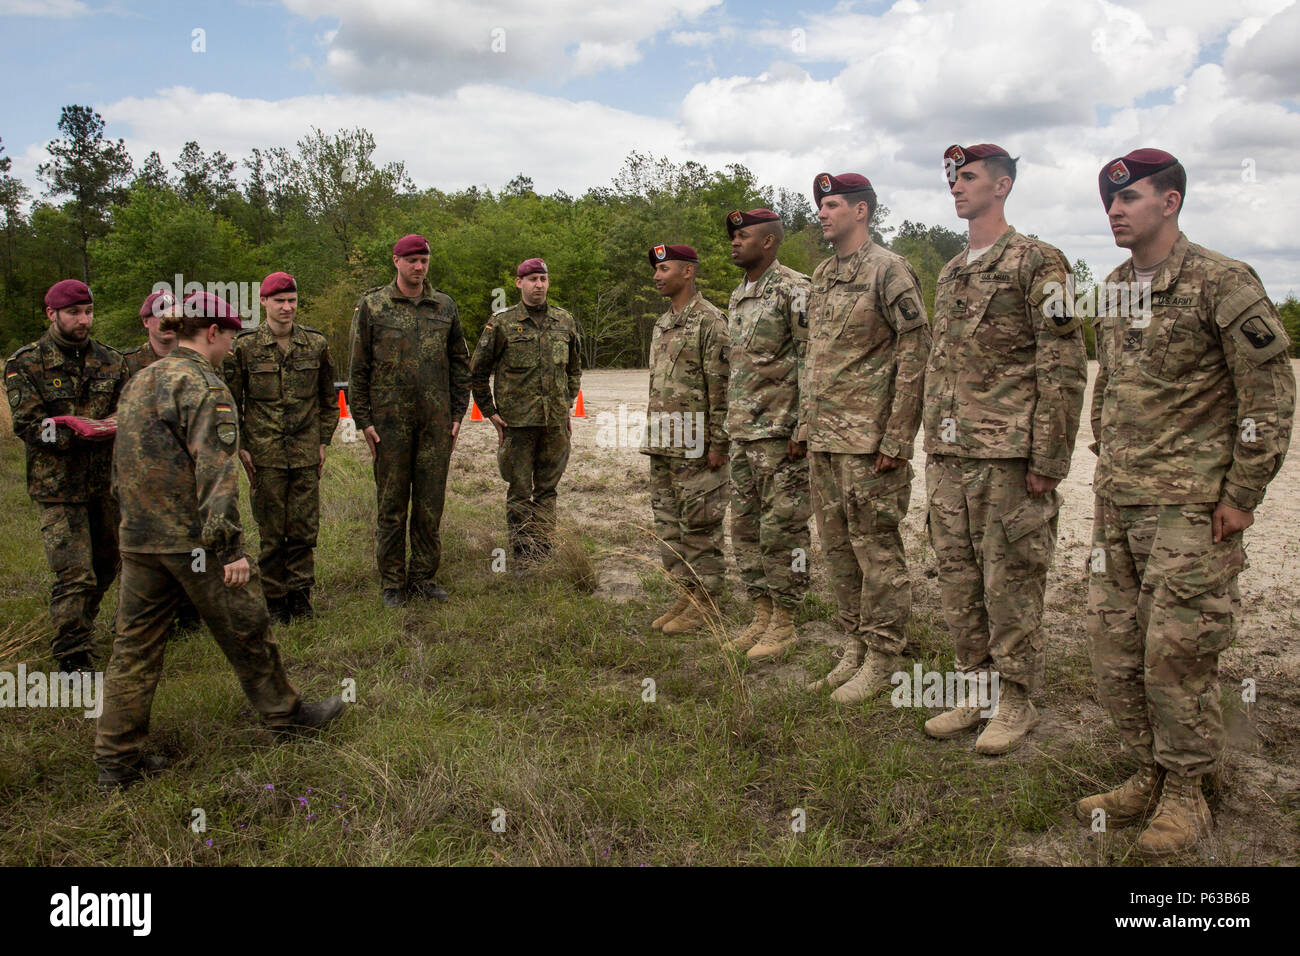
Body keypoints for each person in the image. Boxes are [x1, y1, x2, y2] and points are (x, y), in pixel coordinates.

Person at [1077, 148, 1295, 856]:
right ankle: (1149, 771)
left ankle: (1187, 793)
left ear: (1168, 203)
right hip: (1121, 504)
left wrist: (1242, 495)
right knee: (1117, 648)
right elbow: (1108, 378)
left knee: (1179, 652)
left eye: (1129, 198)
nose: (1115, 210)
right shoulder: (1113, 285)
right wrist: (1104, 440)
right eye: (1110, 200)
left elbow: (1268, 394)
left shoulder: (1221, 282)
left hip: (1191, 511)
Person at [95, 291, 345, 791]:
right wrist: (230, 551)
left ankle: (116, 760)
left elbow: (120, 465)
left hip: (139, 539)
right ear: (212, 333)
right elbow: (216, 473)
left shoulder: (140, 380)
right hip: (194, 542)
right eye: (230, 337)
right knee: (248, 626)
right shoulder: (206, 387)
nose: (231, 348)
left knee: (133, 649)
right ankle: (286, 716)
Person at [920, 144, 1086, 753]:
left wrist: (1049, 458)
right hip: (950, 457)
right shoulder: (952, 270)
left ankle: (1017, 699)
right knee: (958, 578)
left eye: (968, 178)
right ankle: (975, 689)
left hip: (1009, 458)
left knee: (1011, 579)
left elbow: (1063, 363)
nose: (955, 187)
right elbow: (941, 365)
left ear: (1003, 185)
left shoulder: (1037, 261)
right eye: (952, 178)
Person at [800, 174, 931, 703]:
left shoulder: (889, 270)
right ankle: (854, 643)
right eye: (820, 206)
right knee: (837, 549)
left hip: (870, 442)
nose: (822, 214)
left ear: (861, 210)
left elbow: (914, 354)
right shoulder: (822, 275)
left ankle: (883, 656)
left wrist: (897, 438)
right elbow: (816, 355)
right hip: (827, 440)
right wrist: (806, 426)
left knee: (876, 551)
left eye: (832, 205)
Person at [5, 279, 125, 673]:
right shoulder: (26, 363)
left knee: (108, 563)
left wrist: (108, 426)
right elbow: (28, 425)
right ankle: (72, 654)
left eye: (88, 311)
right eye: (74, 312)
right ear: (51, 314)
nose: (83, 320)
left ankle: (79, 625)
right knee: (75, 573)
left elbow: (126, 411)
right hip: (58, 487)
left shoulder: (111, 360)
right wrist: (75, 429)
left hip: (104, 484)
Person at [348, 234, 471, 608]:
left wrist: (456, 413)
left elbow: (460, 364)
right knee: (392, 505)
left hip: (434, 425)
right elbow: (358, 368)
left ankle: (422, 578)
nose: (419, 267)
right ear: (396, 262)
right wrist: (363, 420)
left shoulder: (444, 306)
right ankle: (392, 582)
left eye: (424, 260)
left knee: (430, 505)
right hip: (389, 426)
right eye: (412, 260)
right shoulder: (373, 307)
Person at [717, 209, 813, 660]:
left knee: (784, 531)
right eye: (733, 235)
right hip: (743, 433)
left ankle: (787, 621)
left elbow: (811, 359)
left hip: (781, 434)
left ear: (769, 242)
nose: (735, 241)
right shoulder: (739, 296)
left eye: (744, 235)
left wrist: (804, 425)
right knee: (747, 528)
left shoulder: (794, 290)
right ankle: (761, 612)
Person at [225, 272, 338, 622]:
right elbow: (229, 400)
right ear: (263, 302)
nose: (287, 307)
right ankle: (274, 598)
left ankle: (301, 595)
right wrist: (241, 444)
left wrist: (322, 440)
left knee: (304, 529)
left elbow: (328, 398)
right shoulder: (244, 347)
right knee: (272, 532)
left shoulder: (315, 344)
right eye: (279, 301)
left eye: (292, 300)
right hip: (265, 453)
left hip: (305, 451)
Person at [470, 257, 581, 569]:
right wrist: (490, 412)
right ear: (519, 283)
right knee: (520, 492)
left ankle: (544, 552)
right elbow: (476, 373)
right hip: (517, 425)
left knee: (547, 491)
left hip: (555, 424)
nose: (539, 285)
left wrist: (567, 402)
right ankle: (521, 556)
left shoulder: (564, 320)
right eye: (532, 279)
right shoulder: (502, 323)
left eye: (543, 279)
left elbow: (574, 368)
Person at [643, 243, 731, 635]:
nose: (658, 276)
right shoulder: (663, 323)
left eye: (665, 269)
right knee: (670, 525)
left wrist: (718, 443)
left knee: (700, 526)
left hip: (697, 447)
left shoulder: (711, 322)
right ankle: (686, 593)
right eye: (656, 270)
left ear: (688, 272)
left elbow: (724, 388)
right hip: (663, 443)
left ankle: (707, 602)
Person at [125, 288, 202, 633]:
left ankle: (190, 611)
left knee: (192, 541)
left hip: (190, 470)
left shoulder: (197, 362)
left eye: (175, 313)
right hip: (142, 474)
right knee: (150, 546)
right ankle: (152, 616)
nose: (169, 321)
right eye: (160, 313)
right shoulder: (124, 365)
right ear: (146, 321)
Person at [122, 290, 179, 377]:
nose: (168, 321)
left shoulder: (195, 360)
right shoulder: (126, 363)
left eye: (173, 315)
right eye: (161, 315)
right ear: (145, 322)